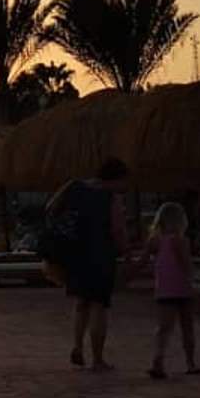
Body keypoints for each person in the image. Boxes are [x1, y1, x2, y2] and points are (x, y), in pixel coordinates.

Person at [49, 158, 129, 372]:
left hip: (75, 253)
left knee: (81, 302)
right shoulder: (110, 197)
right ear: (115, 178)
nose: (125, 186)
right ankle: (98, 358)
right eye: (123, 181)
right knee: (98, 306)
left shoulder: (74, 187)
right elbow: (117, 229)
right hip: (100, 255)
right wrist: (126, 251)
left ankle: (77, 346)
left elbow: (51, 208)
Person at [148, 203, 200, 379]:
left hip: (164, 289)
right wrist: (193, 282)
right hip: (182, 288)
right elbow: (185, 264)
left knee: (164, 328)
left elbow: (143, 261)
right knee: (187, 327)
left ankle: (158, 358)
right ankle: (190, 363)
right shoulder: (180, 241)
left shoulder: (155, 241)